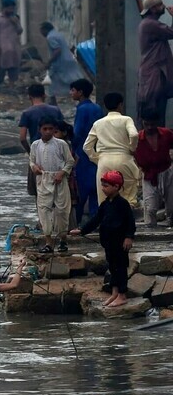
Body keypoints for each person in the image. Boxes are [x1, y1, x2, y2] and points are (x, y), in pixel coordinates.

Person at [70, 171, 136, 308]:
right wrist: (82, 230)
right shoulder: (105, 204)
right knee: (112, 267)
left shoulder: (123, 204)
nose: (103, 189)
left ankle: (122, 295)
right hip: (109, 242)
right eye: (103, 186)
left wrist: (128, 237)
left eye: (106, 186)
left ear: (116, 187)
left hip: (120, 242)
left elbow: (131, 222)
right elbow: (96, 220)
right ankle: (114, 292)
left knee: (121, 268)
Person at [83, 92, 141, 207]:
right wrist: (132, 148)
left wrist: (97, 159)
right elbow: (134, 135)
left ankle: (107, 223)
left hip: (104, 162)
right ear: (121, 105)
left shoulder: (98, 123)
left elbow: (86, 146)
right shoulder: (126, 119)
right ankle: (125, 223)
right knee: (128, 199)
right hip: (124, 160)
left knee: (105, 199)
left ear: (105, 106)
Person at [30, 116, 75, 252]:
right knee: (44, 210)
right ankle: (48, 242)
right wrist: (35, 168)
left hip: (59, 180)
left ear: (54, 130)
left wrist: (62, 172)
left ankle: (62, 240)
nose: (48, 132)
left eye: (50, 129)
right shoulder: (35, 145)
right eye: (45, 129)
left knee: (61, 210)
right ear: (40, 130)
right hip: (43, 180)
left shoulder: (61, 144)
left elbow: (70, 161)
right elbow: (31, 161)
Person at [19, 84, 64, 197]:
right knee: (58, 190)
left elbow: (22, 138)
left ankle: (42, 214)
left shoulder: (27, 113)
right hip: (56, 152)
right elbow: (64, 131)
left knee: (39, 192)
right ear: (44, 95)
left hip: (37, 154)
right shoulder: (55, 110)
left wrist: (30, 153)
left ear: (29, 97)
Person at [70, 79, 104, 223]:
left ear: (80, 92)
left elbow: (77, 133)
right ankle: (94, 220)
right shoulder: (97, 108)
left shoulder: (81, 109)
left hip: (82, 152)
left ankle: (78, 223)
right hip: (97, 151)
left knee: (80, 190)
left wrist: (72, 149)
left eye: (73, 90)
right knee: (96, 188)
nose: (71, 93)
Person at [137, 0, 173, 126]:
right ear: (153, 9)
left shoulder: (149, 24)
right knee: (153, 109)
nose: (163, 7)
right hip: (153, 74)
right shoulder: (150, 25)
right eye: (160, 5)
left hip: (154, 73)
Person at [134, 115, 173, 227]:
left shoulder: (166, 134)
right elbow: (131, 152)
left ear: (157, 123)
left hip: (166, 171)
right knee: (150, 207)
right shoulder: (138, 138)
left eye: (152, 124)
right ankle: (150, 228)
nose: (150, 127)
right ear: (142, 123)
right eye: (147, 124)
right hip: (149, 174)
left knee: (171, 206)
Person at [40, 22, 82, 105]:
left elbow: (57, 50)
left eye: (41, 31)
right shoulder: (58, 34)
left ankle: (52, 101)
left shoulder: (50, 37)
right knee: (72, 78)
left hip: (60, 62)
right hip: (69, 59)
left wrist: (49, 62)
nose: (41, 34)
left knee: (51, 81)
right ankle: (80, 95)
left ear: (45, 29)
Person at [0, 0, 23, 91]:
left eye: (13, 8)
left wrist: (16, 23)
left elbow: (20, 31)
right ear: (4, 8)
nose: (11, 10)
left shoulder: (15, 18)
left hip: (14, 49)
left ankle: (11, 87)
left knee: (13, 69)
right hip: (1, 49)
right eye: (10, 8)